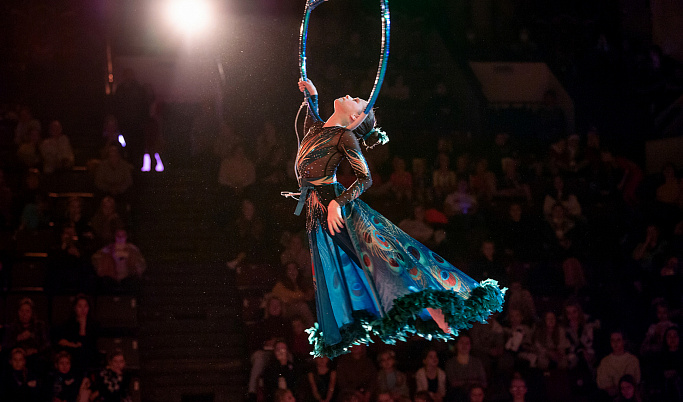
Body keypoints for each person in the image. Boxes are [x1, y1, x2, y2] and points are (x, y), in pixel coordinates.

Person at [293, 78, 504, 358]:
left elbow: (365, 179)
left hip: (336, 210)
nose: (350, 95)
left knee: (387, 264)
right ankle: (431, 310)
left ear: (355, 118)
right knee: (366, 269)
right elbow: (315, 129)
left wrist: (337, 203)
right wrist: (313, 97)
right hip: (318, 214)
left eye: (357, 101)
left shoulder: (345, 137)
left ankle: (437, 308)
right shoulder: (320, 128)